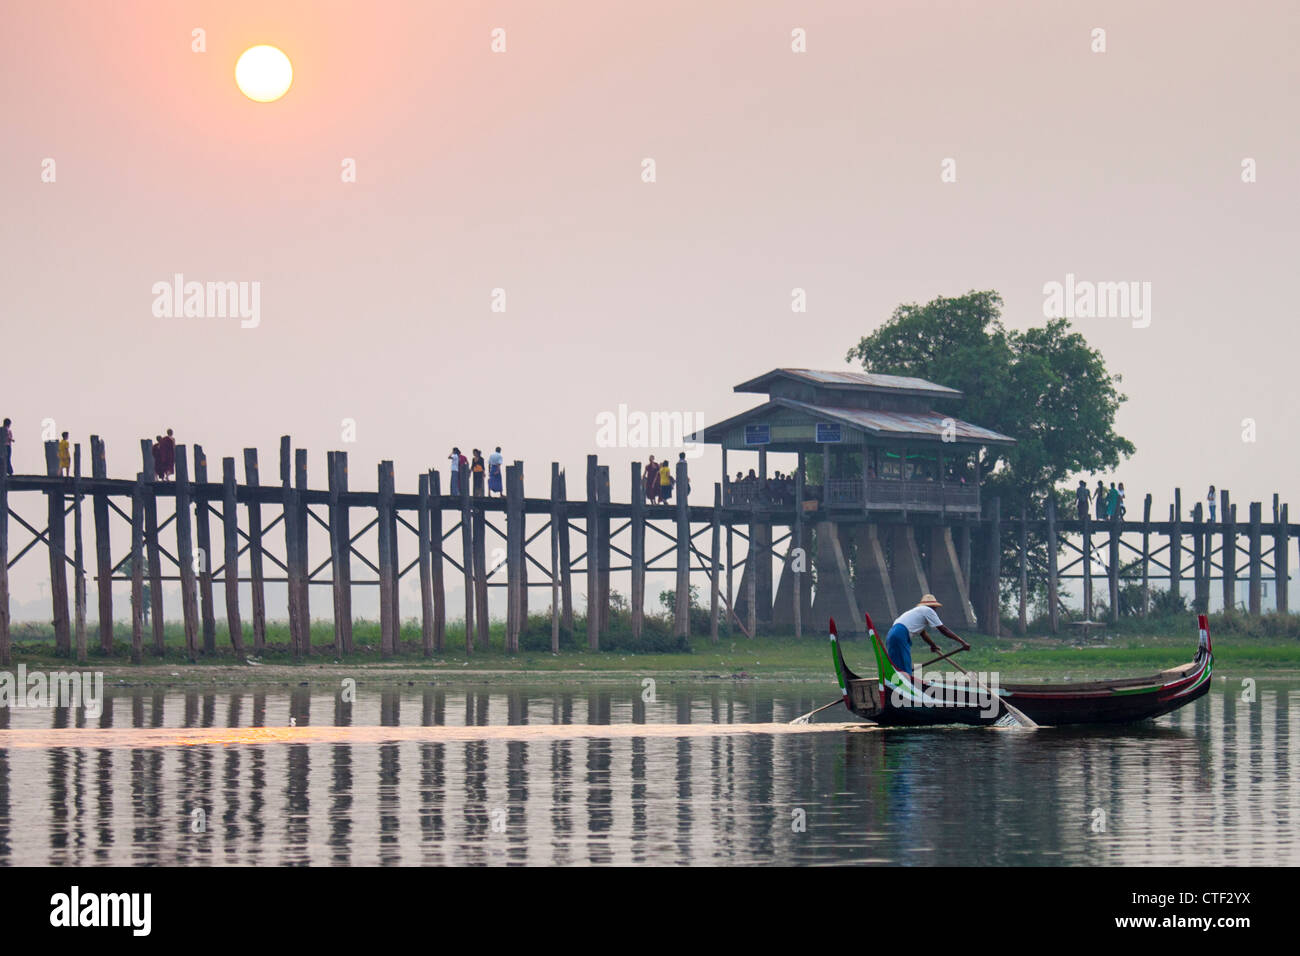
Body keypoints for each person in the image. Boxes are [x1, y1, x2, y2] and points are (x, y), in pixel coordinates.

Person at [886, 595, 965, 679]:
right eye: (935, 608)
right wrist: (962, 642)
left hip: (892, 634)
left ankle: (896, 684)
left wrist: (933, 645)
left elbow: (923, 634)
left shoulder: (917, 612)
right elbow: (943, 629)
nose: (935, 610)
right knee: (903, 667)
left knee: (896, 666)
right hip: (900, 635)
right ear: (933, 606)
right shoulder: (928, 610)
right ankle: (905, 686)